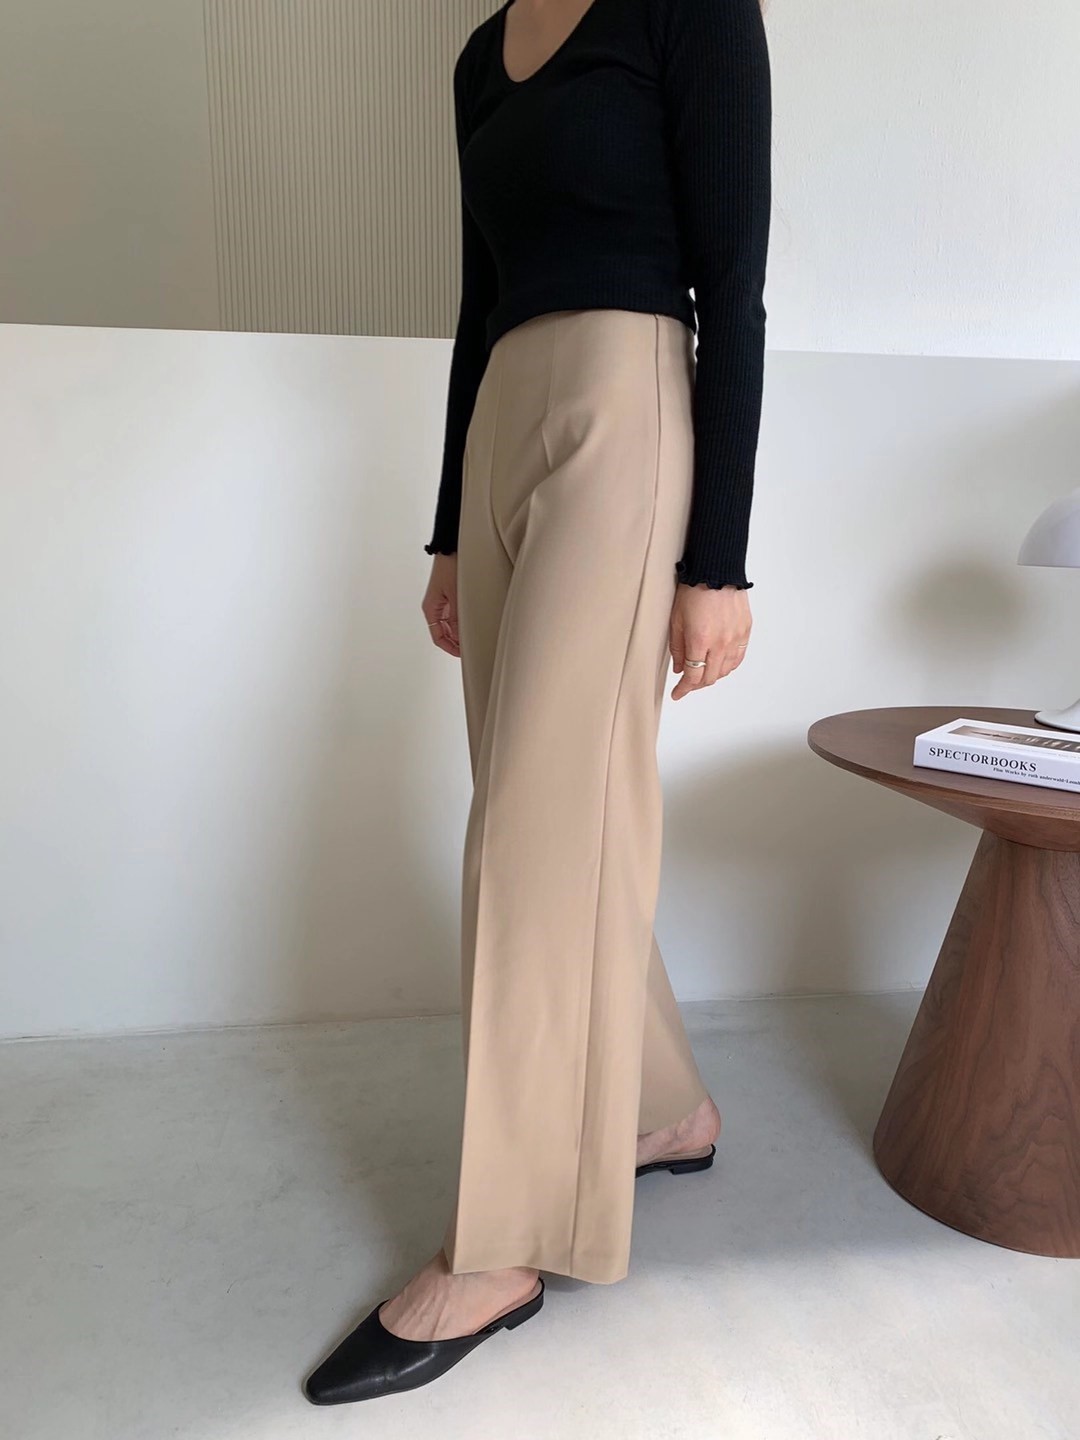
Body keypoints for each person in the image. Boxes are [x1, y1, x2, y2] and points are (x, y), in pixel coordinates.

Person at [303, 0, 770, 1404]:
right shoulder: (482, 52)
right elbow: (478, 297)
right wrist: (450, 529)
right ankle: (666, 1107)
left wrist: (720, 562)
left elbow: (733, 283)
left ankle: (502, 1245)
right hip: (507, 409)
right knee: (554, 817)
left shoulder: (690, 11)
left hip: (629, 402)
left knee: (531, 831)